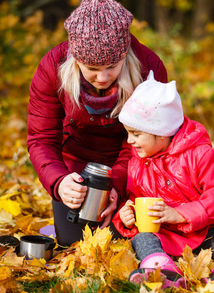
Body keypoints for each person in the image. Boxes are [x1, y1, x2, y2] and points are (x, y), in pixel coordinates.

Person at [112, 71, 214, 290]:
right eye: (128, 133)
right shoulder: (137, 162)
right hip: (170, 239)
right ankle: (160, 268)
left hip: (211, 234)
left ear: (160, 133)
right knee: (142, 237)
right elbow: (136, 199)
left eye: (135, 133)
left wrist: (180, 214)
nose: (130, 141)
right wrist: (127, 215)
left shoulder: (199, 154)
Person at [27, 0, 168, 247]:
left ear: (124, 54)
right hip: (77, 169)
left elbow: (150, 140)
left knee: (135, 236)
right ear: (75, 59)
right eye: (91, 68)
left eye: (112, 66)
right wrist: (60, 182)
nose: (102, 78)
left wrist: (118, 186)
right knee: (74, 242)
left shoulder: (150, 68)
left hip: (136, 165)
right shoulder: (51, 68)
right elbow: (41, 139)